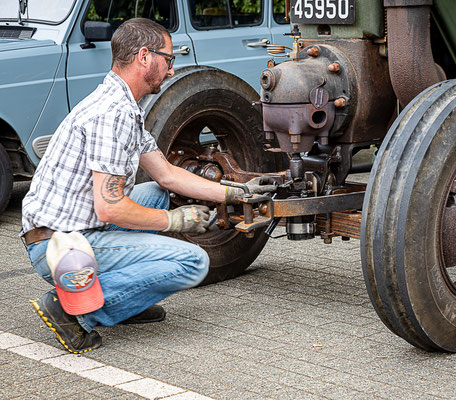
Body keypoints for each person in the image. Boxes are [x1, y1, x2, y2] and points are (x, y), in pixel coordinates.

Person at [21, 18, 274, 354]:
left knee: (157, 193)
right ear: (144, 56)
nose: (171, 71)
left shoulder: (122, 104)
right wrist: (177, 220)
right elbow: (109, 207)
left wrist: (235, 192)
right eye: (168, 60)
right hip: (61, 249)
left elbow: (167, 174)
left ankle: (128, 299)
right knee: (192, 263)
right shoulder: (113, 114)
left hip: (70, 228)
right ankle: (73, 309)